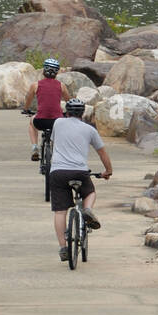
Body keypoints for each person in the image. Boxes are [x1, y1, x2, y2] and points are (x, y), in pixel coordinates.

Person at [48, 98, 112, 263]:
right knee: (90, 192)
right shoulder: (89, 130)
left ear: (67, 112)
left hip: (58, 172)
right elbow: (102, 153)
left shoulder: (58, 123)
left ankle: (63, 247)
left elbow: (54, 144)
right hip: (79, 171)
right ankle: (87, 209)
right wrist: (108, 171)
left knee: (60, 211)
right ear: (83, 113)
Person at [22, 58, 63, 161]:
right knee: (57, 131)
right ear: (56, 72)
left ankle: (35, 147)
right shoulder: (61, 86)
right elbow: (70, 101)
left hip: (40, 120)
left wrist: (26, 109)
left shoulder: (35, 85)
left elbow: (28, 100)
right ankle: (55, 151)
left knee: (32, 122)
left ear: (44, 71)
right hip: (56, 121)